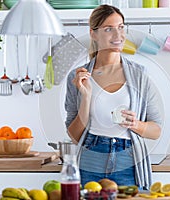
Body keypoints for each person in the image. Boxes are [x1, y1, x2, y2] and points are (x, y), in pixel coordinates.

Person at [65, 4, 163, 190]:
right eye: (109, 29)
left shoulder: (140, 75)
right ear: (93, 34)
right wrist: (86, 98)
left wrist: (136, 125)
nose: (118, 36)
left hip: (128, 158)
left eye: (121, 27)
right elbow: (75, 136)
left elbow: (156, 130)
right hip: (90, 158)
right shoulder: (77, 77)